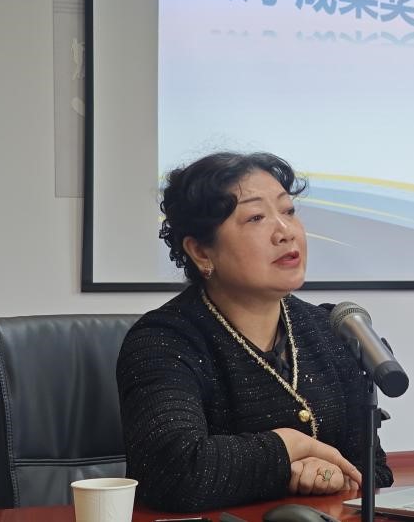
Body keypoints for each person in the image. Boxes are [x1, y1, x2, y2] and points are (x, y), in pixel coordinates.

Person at [117, 151, 393, 512]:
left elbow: (373, 472)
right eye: (256, 217)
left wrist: (331, 476)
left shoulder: (330, 331)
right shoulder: (162, 341)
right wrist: (288, 447)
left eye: (288, 211)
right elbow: (175, 472)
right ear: (201, 251)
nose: (286, 232)